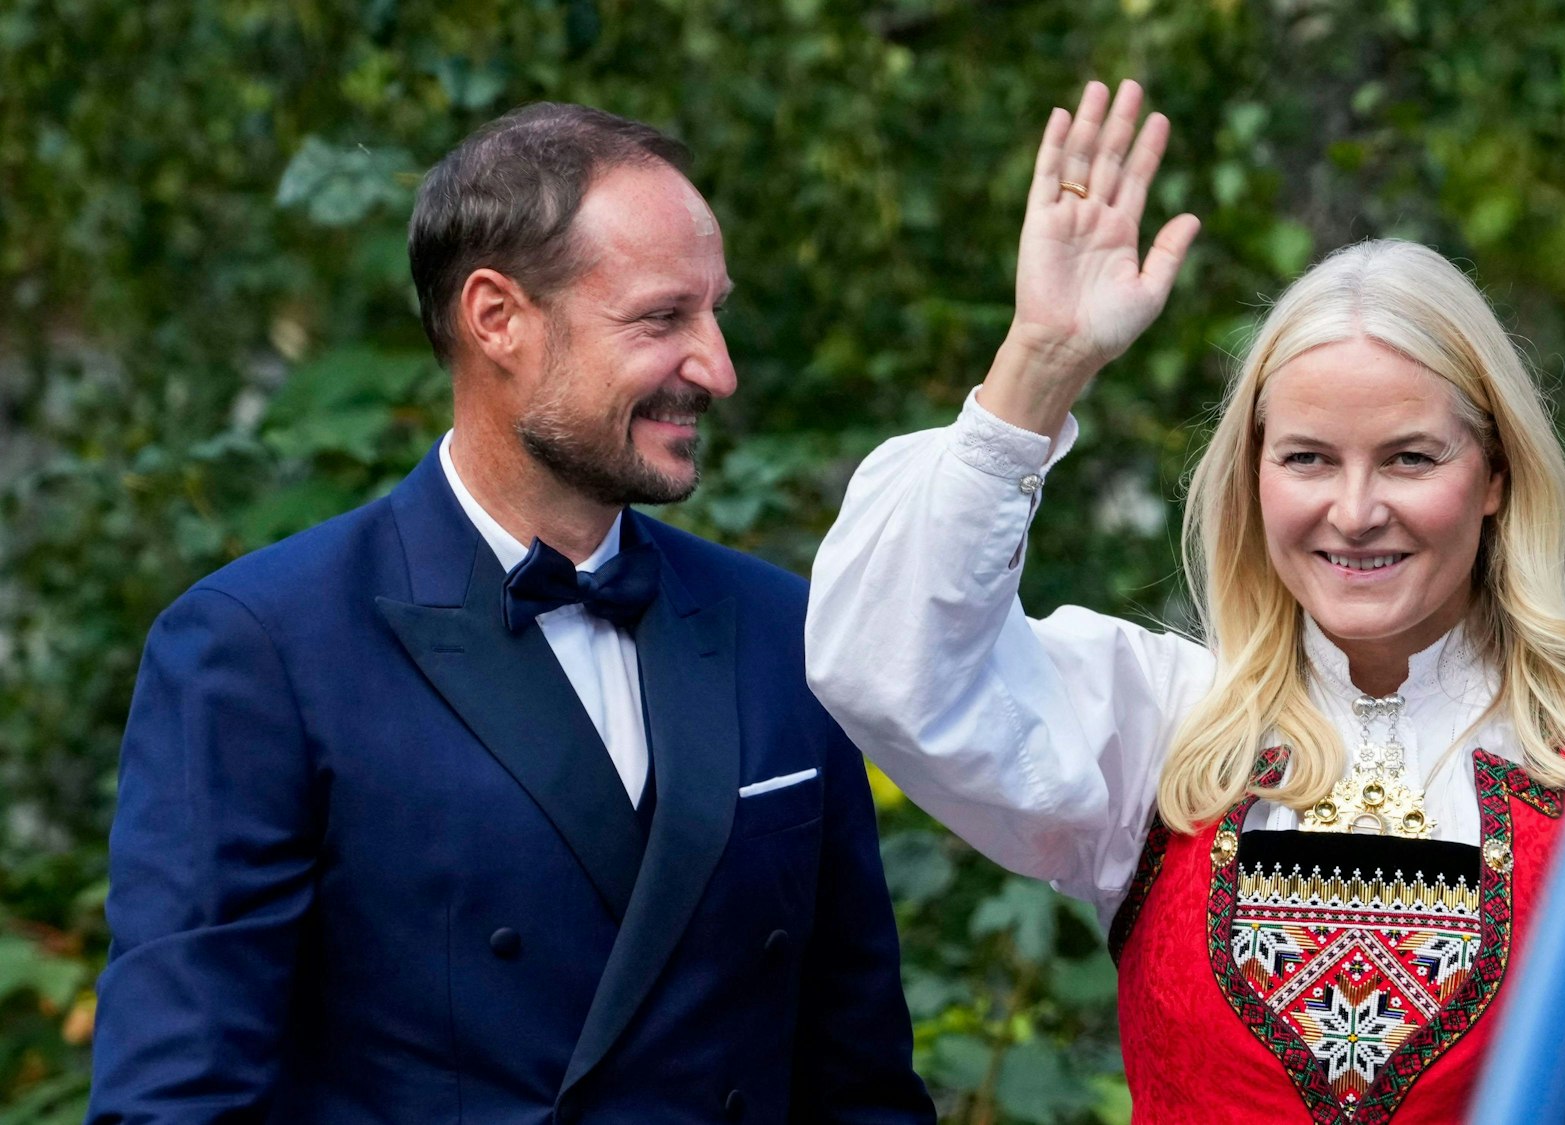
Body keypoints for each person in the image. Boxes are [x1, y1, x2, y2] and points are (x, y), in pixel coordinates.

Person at [804, 80, 1565, 1122]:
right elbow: (889, 668)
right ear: (1253, 479)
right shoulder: (1161, 731)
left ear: (1494, 477)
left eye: (1411, 458)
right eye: (1309, 459)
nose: (1355, 510)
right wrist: (1037, 364)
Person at [88, 103, 932, 1124]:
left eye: (715, 314)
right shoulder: (258, 648)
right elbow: (178, 1102)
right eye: (663, 319)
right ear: (497, 319)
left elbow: (864, 1085)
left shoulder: (782, 630)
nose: (717, 367)